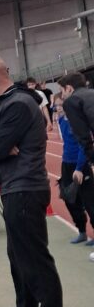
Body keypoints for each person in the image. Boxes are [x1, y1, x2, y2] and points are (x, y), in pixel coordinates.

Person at [0, 53, 69, 307]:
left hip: (24, 187)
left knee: (34, 258)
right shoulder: (10, 102)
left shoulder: (16, 104)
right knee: (18, 257)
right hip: (17, 187)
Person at [53, 95, 94, 245]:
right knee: (70, 199)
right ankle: (82, 231)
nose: (58, 108)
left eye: (61, 105)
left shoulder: (78, 122)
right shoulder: (61, 120)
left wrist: (79, 168)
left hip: (80, 166)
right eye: (56, 105)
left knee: (89, 201)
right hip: (67, 164)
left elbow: (84, 145)